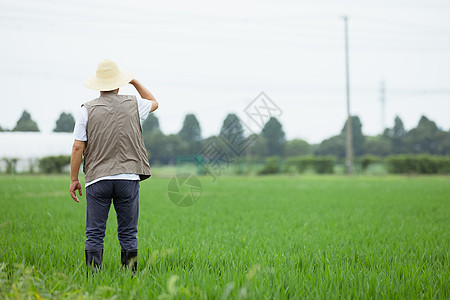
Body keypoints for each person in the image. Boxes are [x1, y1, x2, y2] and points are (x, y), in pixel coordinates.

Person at [69, 59, 158, 275]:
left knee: (94, 232)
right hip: (128, 179)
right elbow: (153, 101)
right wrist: (134, 81)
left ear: (98, 85)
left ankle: (93, 277)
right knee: (129, 232)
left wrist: (73, 179)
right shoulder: (133, 104)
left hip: (98, 179)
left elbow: (77, 147)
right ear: (119, 83)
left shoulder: (86, 110)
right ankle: (130, 276)